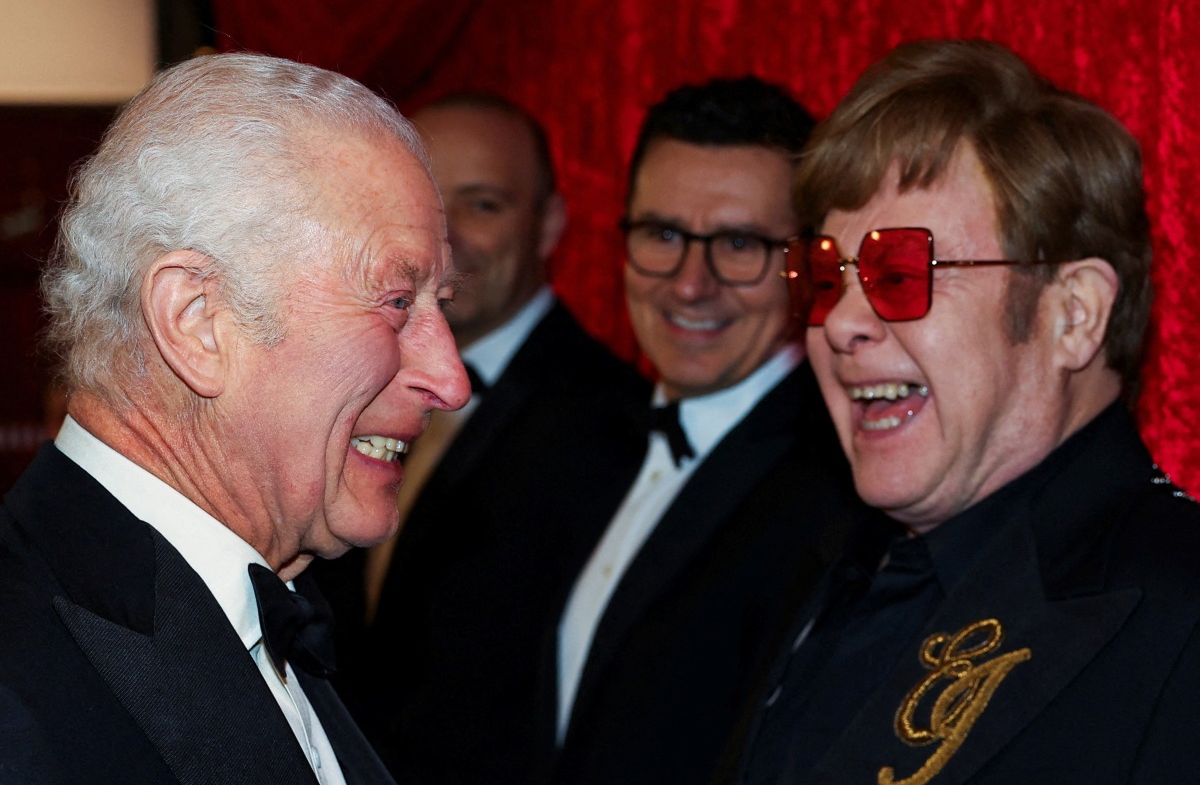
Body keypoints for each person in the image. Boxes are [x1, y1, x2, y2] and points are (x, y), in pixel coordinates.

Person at [723, 39, 1200, 785]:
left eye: (900, 271)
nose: (839, 323)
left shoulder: (1181, 611)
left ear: (1073, 315)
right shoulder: (808, 562)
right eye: (822, 277)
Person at [0, 52, 469, 784]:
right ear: (197, 321)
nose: (451, 379)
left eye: (446, 303)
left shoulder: (267, 613)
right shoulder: (20, 681)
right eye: (398, 302)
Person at [318, 93, 649, 784]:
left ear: (550, 224)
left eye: (483, 205)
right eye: (427, 205)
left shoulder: (617, 426)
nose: (447, 240)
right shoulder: (330, 382)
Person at [547, 77, 865, 785]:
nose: (691, 284)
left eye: (740, 244)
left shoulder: (841, 497)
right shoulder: (573, 440)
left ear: (807, 264)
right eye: (663, 235)